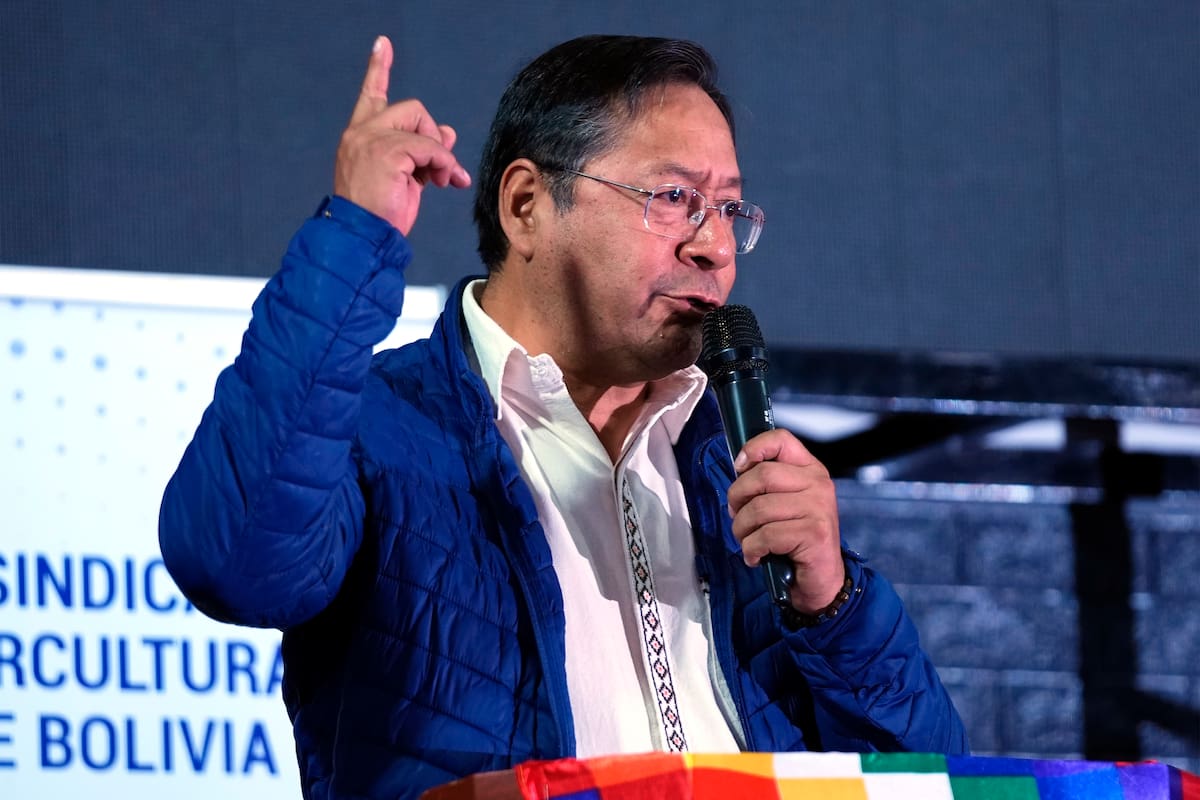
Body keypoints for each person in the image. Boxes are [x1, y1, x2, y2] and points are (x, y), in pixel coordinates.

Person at [159, 33, 967, 800]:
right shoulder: (380, 424)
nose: (713, 246)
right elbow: (235, 564)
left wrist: (832, 604)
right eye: (675, 197)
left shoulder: (735, 466)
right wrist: (353, 240)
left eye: (729, 210)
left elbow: (931, 779)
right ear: (525, 206)